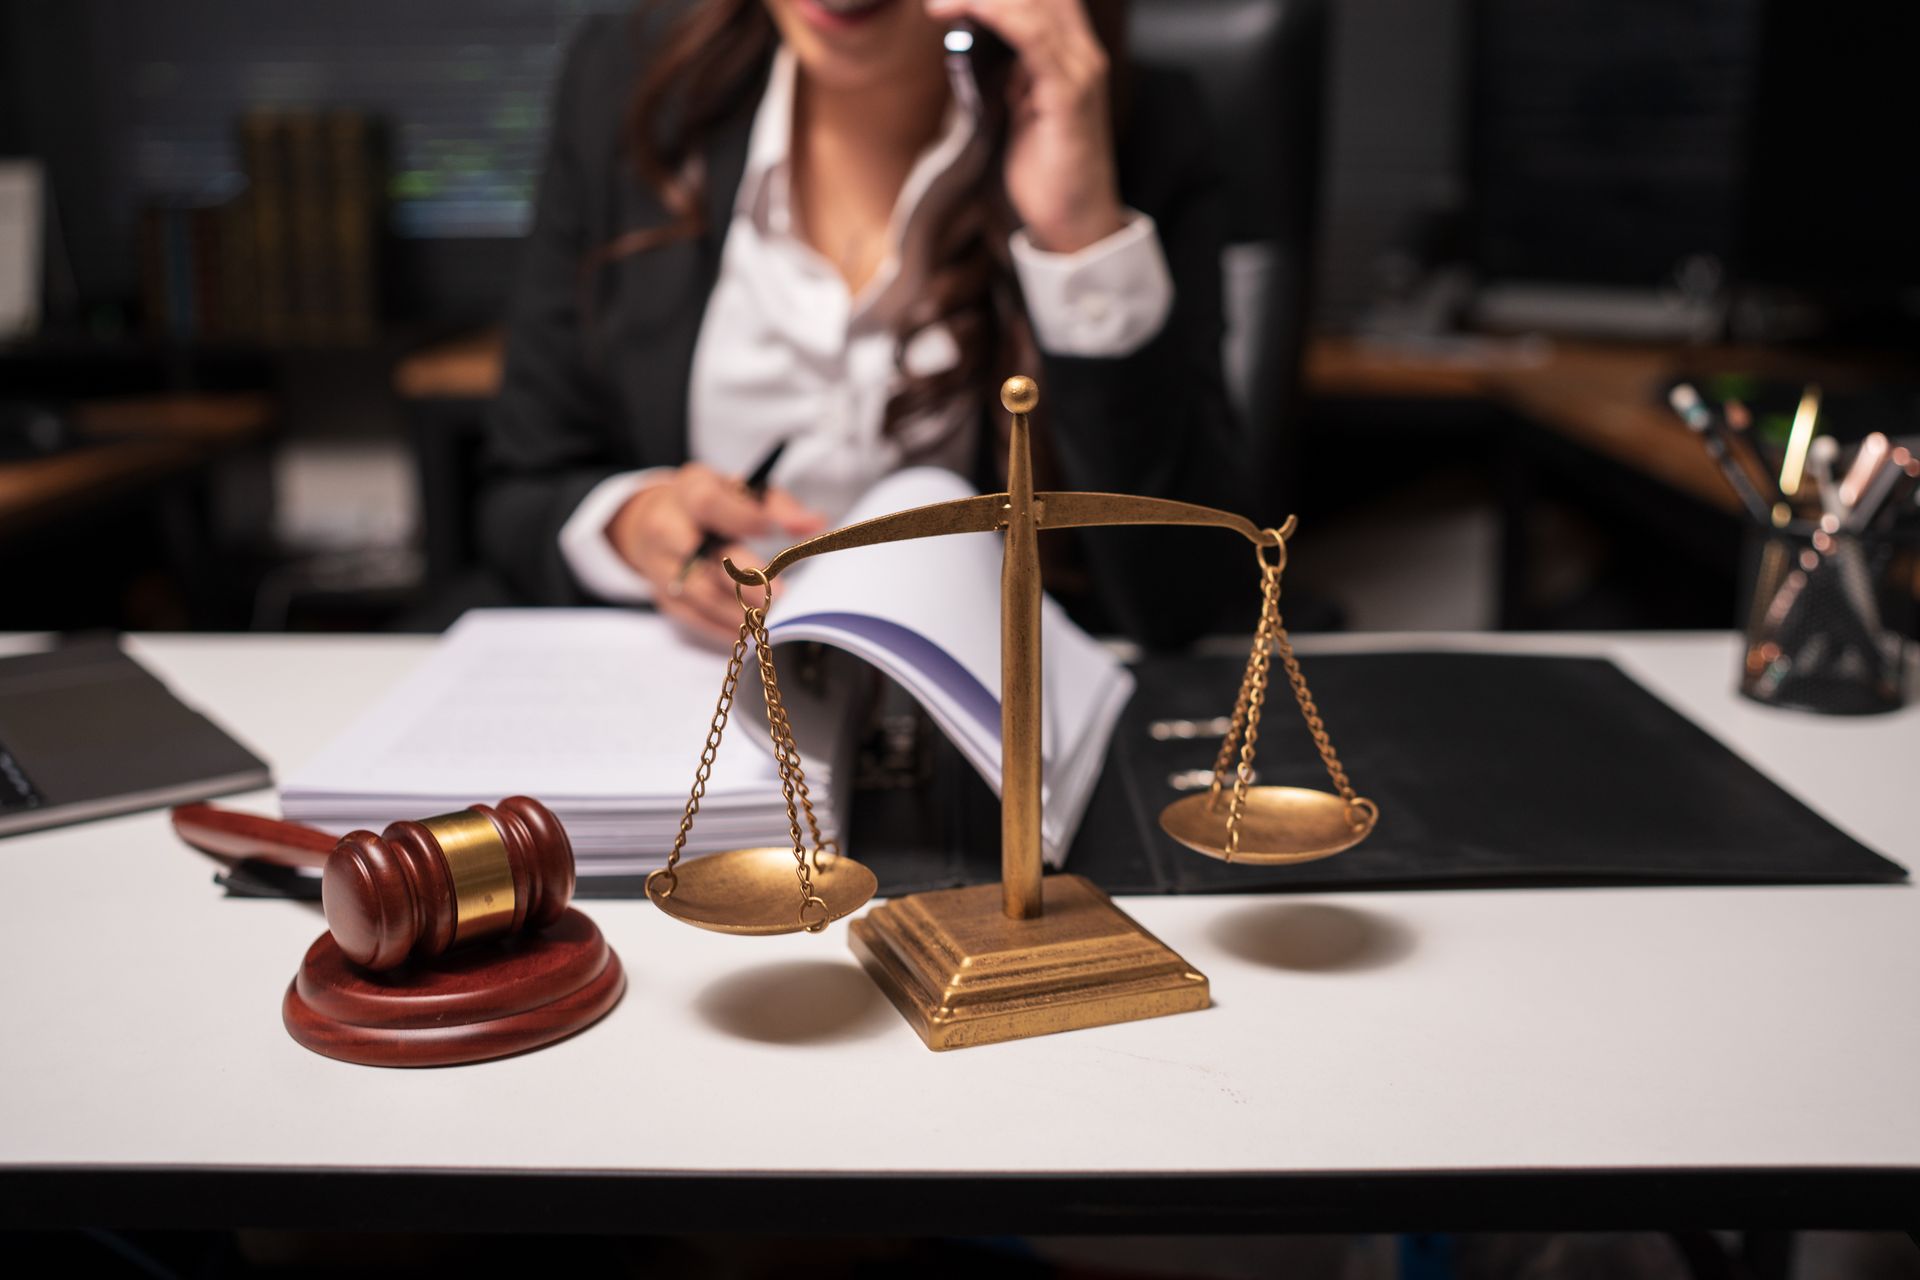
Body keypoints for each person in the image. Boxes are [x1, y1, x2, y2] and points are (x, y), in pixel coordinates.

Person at [480, 0, 1250, 648]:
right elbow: (521, 489)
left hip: (984, 724)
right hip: (697, 700)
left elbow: (1182, 600)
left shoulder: (1132, 125)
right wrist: (633, 523)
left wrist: (1076, 233)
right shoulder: (631, 81)